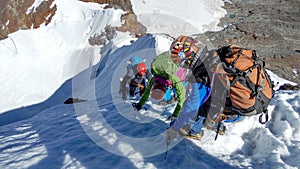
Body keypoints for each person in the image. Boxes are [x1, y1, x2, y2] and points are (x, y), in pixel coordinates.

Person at [166, 35, 223, 141]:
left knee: (193, 104)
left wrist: (174, 127)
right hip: (226, 104)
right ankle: (211, 125)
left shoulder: (202, 71)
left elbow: (191, 107)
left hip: (223, 110)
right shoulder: (209, 58)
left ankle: (201, 128)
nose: (182, 64)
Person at [132, 51, 187, 120]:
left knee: (181, 86)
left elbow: (181, 98)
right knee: (175, 92)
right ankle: (172, 98)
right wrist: (140, 104)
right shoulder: (154, 79)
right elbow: (147, 92)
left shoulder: (174, 79)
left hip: (179, 72)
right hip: (168, 66)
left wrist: (175, 114)